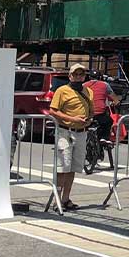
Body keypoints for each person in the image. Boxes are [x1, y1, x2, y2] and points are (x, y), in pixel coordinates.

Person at [47, 63, 93, 211]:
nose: (78, 77)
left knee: (73, 167)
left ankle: (66, 199)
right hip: (65, 132)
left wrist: (89, 119)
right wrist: (73, 119)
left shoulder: (88, 91)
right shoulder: (62, 91)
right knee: (62, 168)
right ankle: (57, 200)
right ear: (70, 76)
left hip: (81, 132)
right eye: (76, 74)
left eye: (81, 74)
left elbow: (91, 110)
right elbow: (53, 111)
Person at [84, 72, 121, 169]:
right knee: (108, 121)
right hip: (100, 113)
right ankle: (104, 137)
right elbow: (115, 99)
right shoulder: (105, 85)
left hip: (86, 113)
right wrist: (116, 102)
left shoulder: (84, 85)